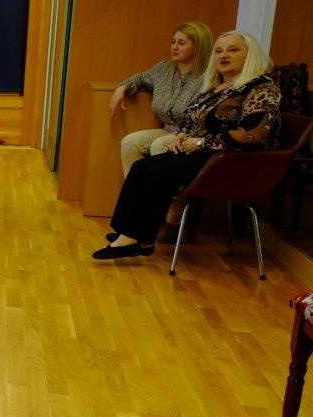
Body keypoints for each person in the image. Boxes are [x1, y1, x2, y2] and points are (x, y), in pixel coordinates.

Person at [94, 30, 281, 260]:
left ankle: (137, 237)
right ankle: (131, 234)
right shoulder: (218, 86)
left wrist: (201, 142)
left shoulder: (261, 87)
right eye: (219, 51)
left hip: (231, 160)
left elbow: (253, 133)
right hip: (205, 153)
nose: (224, 55)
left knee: (158, 173)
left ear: (250, 55)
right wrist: (182, 135)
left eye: (233, 50)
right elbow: (194, 119)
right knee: (142, 167)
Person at [109, 22, 215, 174]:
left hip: (193, 135)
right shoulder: (164, 68)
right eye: (173, 42)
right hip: (167, 130)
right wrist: (122, 88)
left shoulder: (209, 76)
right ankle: (134, 187)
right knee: (129, 142)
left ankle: (159, 188)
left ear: (198, 47)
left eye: (181, 43)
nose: (174, 47)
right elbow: (141, 78)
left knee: (159, 144)